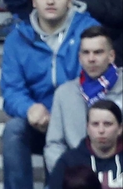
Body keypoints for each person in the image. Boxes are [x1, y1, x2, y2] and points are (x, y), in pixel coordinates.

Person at [1, 0, 100, 189]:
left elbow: (95, 76)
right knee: (13, 131)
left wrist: (62, 113)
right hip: (38, 120)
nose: (51, 1)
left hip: (76, 118)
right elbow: (11, 91)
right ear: (33, 0)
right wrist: (29, 108)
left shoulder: (87, 31)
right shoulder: (17, 39)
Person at [45, 26, 121, 173]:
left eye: (98, 52)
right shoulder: (64, 93)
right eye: (86, 53)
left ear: (111, 56)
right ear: (79, 57)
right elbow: (54, 145)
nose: (91, 59)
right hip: (77, 175)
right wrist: (66, 175)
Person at [47, 99, 123, 189]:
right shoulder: (68, 162)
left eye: (108, 124)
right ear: (87, 128)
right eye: (95, 124)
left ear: (120, 128)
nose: (101, 130)